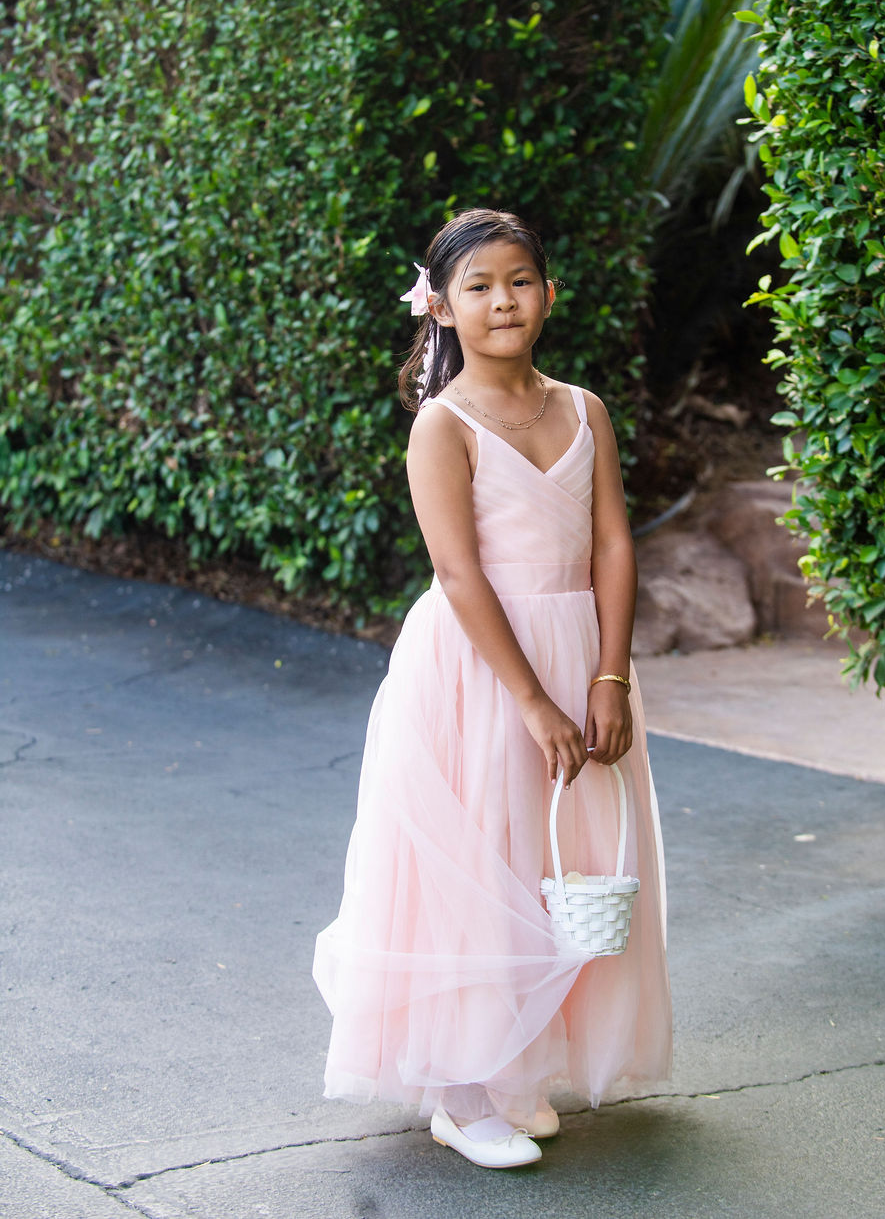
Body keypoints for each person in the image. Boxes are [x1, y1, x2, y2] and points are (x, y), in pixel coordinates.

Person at [313, 208, 672, 1169]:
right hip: (480, 668)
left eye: (518, 282)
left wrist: (607, 675)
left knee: (556, 857)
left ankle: (517, 1070)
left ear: (549, 295)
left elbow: (613, 544)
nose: (502, 302)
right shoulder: (445, 424)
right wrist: (532, 699)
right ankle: (462, 1092)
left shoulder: (584, 409)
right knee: (479, 862)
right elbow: (460, 573)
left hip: (578, 650)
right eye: (477, 287)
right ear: (441, 308)